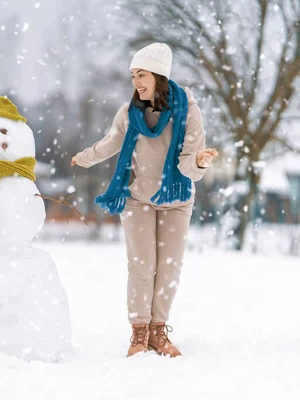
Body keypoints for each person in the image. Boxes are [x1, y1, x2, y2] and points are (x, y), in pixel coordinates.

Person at [71, 43, 218, 357]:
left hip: (177, 199)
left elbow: (188, 166)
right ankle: (139, 332)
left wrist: (201, 162)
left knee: (169, 268)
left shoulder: (188, 111)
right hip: (138, 199)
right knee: (142, 266)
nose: (136, 82)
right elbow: (110, 144)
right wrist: (84, 158)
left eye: (142, 74)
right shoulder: (129, 114)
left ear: (159, 76)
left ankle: (157, 331)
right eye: (133, 75)